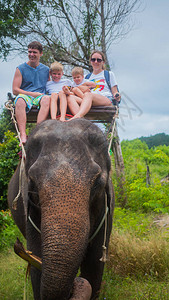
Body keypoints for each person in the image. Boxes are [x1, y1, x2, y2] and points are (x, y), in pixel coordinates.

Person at [12, 41, 50, 145]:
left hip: (41, 97)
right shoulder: (20, 68)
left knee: (47, 99)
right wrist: (33, 94)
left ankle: (37, 132)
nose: (31, 55)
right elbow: (15, 90)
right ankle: (23, 135)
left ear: (41, 54)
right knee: (19, 100)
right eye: (29, 52)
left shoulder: (46, 70)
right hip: (26, 96)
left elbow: (50, 86)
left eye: (34, 52)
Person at [67, 50, 121, 120]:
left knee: (88, 95)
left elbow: (115, 91)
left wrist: (117, 95)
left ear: (103, 62)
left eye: (98, 60)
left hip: (105, 99)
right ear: (91, 62)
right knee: (69, 97)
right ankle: (81, 120)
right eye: (93, 60)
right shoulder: (86, 77)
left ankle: (78, 116)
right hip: (88, 100)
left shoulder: (108, 74)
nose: (96, 62)